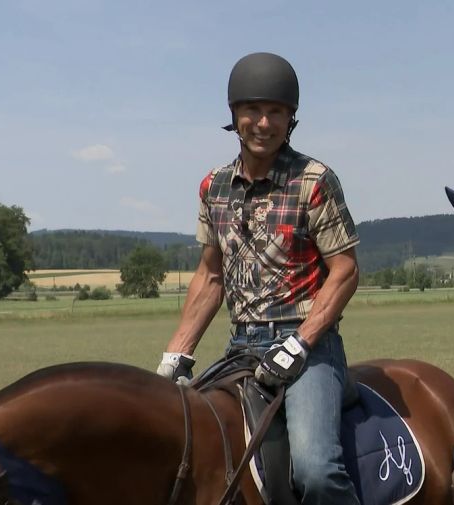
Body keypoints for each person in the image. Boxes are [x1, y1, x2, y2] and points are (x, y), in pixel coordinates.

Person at [155, 52, 361, 505]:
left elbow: (345, 270)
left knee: (315, 469)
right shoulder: (214, 187)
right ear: (234, 115)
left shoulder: (314, 180)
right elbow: (211, 275)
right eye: (252, 110)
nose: (263, 122)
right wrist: (178, 352)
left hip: (310, 348)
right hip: (241, 347)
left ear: (291, 119)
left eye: (276, 112)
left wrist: (302, 342)